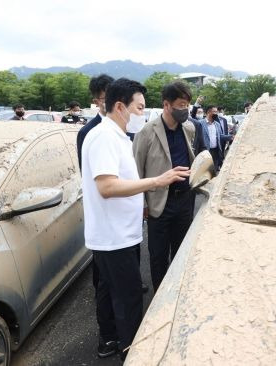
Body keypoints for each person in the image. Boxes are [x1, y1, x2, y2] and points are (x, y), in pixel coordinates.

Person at [81, 77, 190, 362]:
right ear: (120, 106)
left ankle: (111, 341)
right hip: (114, 237)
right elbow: (107, 187)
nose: (143, 114)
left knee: (111, 293)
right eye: (140, 108)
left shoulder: (114, 135)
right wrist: (156, 181)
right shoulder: (105, 136)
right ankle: (132, 354)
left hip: (117, 234)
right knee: (129, 300)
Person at [133, 81, 198, 292]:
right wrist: (142, 203)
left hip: (184, 201)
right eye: (180, 104)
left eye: (187, 104)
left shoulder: (189, 128)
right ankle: (160, 298)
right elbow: (136, 170)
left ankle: (178, 293)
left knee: (181, 252)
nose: (184, 109)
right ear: (166, 105)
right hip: (159, 203)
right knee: (158, 255)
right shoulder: (147, 132)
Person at [77, 74, 114, 171]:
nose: (113, 101)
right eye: (106, 98)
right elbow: (85, 170)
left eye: (114, 96)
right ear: (96, 102)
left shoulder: (127, 129)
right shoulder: (86, 132)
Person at [199, 105, 232, 170]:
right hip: (205, 151)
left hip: (216, 151)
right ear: (208, 112)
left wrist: (230, 137)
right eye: (214, 112)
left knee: (214, 169)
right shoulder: (200, 123)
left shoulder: (217, 124)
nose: (216, 113)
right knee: (206, 170)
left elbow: (220, 136)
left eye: (216, 112)